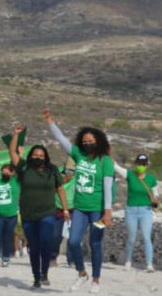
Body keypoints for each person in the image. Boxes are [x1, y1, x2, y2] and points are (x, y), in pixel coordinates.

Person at [44, 108, 113, 293]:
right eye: (85, 141)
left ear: (98, 141)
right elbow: (61, 140)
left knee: (95, 243)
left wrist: (107, 212)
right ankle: (82, 274)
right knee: (73, 242)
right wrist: (50, 121)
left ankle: (96, 280)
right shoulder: (78, 155)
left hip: (97, 210)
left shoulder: (105, 161)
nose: (88, 144)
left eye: (91, 141)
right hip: (80, 209)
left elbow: (108, 187)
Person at [10, 123, 70, 289]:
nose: (38, 157)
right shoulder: (24, 168)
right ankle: (36, 276)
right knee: (34, 246)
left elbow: (60, 189)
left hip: (47, 212)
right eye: (36, 154)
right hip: (28, 213)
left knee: (45, 241)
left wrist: (65, 209)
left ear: (46, 157)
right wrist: (15, 135)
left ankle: (45, 272)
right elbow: (12, 153)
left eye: (41, 155)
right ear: (31, 156)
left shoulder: (52, 170)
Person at [115, 153, 159, 272]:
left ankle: (149, 264)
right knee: (131, 238)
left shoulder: (151, 179)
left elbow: (156, 194)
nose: (141, 166)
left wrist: (155, 200)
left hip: (146, 210)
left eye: (144, 164)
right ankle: (128, 261)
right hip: (131, 210)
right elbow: (115, 166)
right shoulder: (129, 175)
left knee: (146, 237)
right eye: (140, 164)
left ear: (147, 165)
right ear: (136, 164)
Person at [0, 163, 20, 267]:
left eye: (7, 171)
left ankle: (6, 257)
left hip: (12, 215)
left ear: (12, 173)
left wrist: (19, 154)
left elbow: (19, 167)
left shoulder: (16, 182)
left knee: (8, 236)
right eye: (3, 171)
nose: (5, 173)